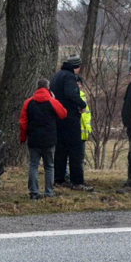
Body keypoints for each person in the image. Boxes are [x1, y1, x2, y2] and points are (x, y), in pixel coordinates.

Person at [19, 78, 67, 200]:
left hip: (34, 139)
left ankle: (34, 193)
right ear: (48, 88)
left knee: (33, 166)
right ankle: (49, 192)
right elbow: (63, 114)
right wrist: (55, 100)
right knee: (49, 166)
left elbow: (23, 123)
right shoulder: (52, 102)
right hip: (49, 139)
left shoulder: (28, 102)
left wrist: (23, 138)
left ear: (36, 88)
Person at [50, 55, 92, 191]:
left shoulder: (56, 76)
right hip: (70, 118)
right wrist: (82, 104)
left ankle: (59, 179)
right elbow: (72, 94)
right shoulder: (69, 77)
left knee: (60, 150)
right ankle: (77, 182)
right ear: (77, 67)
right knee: (75, 150)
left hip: (58, 117)